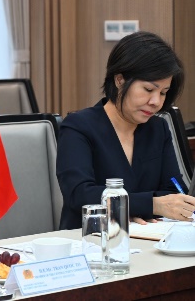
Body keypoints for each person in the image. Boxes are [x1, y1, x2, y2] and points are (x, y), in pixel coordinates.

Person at [56, 31, 195, 229]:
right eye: (148, 89)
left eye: (163, 93)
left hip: (147, 236)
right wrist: (149, 205)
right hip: (90, 237)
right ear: (120, 80)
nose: (156, 101)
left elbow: (172, 191)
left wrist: (131, 207)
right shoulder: (78, 126)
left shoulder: (158, 128)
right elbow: (80, 195)